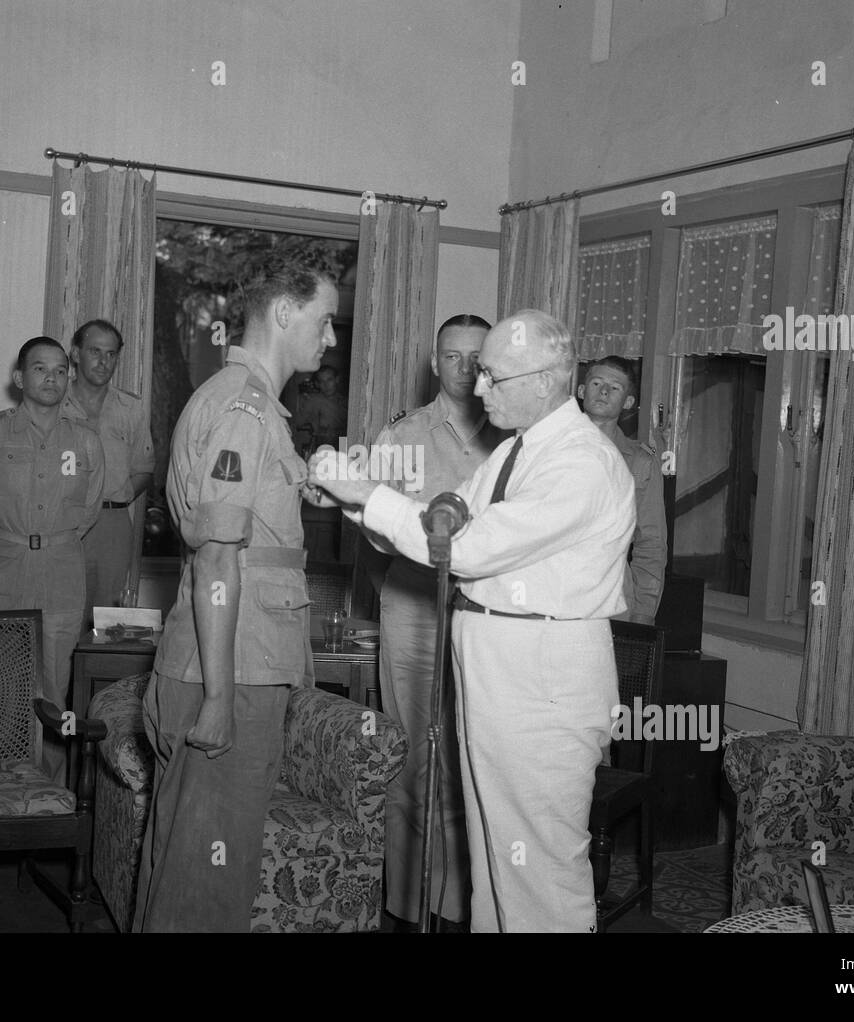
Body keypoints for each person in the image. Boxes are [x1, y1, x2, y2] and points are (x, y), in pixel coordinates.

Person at [311, 310, 635, 932]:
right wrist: (353, 504)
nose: (477, 388)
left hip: (541, 686)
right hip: (499, 677)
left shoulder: (582, 463)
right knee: (495, 859)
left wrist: (362, 493)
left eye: (492, 375)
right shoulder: (518, 449)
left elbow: (468, 550)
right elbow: (447, 520)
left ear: (544, 380)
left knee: (539, 871)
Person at [133, 252, 338, 932]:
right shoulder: (244, 413)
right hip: (231, 670)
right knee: (206, 888)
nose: (330, 338)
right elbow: (218, 561)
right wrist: (219, 699)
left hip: (227, 659)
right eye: (325, 320)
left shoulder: (240, 405)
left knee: (182, 867)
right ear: (285, 313)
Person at [364, 313, 507, 930]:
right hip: (418, 611)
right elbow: (373, 533)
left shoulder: (514, 436)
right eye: (453, 356)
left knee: (471, 762)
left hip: (492, 616)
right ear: (434, 362)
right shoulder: (402, 436)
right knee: (412, 760)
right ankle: (406, 904)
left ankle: (457, 909)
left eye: (478, 357)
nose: (466, 368)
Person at [0, 336, 104, 781]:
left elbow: (88, 511)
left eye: (60, 370)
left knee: (53, 692)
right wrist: (2, 546)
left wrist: (48, 543)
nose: (51, 378)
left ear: (69, 378)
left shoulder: (86, 442)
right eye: (40, 369)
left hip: (59, 578)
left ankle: (44, 794)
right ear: (19, 378)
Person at [61, 319, 155, 616]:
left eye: (111, 354)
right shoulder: (53, 403)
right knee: (62, 613)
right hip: (63, 521)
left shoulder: (131, 409)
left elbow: (144, 467)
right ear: (76, 354)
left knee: (106, 619)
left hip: (112, 524)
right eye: (95, 352)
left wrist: (121, 495)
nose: (104, 362)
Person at [581, 356, 667, 624]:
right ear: (581, 391)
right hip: (548, 596)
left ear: (628, 402)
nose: (603, 391)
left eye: (614, 387)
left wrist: (644, 611)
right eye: (596, 383)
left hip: (611, 601)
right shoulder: (549, 447)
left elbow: (651, 542)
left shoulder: (639, 462)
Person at [293, 364, 348, 453]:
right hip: (323, 444)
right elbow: (297, 422)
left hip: (344, 444)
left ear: (337, 380)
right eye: (321, 381)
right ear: (317, 384)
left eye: (329, 380)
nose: (326, 385)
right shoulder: (314, 400)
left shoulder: (347, 401)